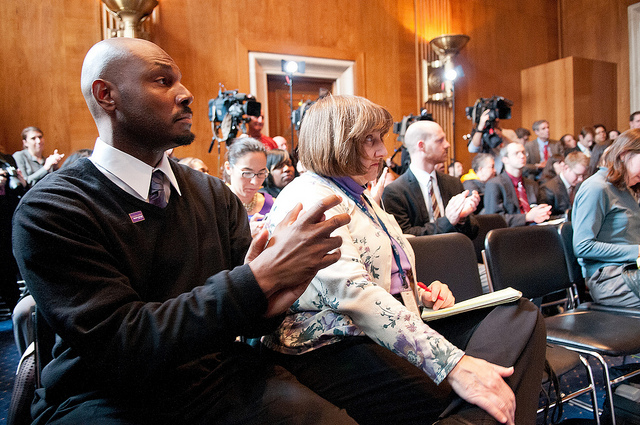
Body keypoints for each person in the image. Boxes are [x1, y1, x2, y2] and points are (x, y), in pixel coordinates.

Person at [12, 37, 357, 425]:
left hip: (220, 377)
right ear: (106, 95)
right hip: (106, 396)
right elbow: (122, 341)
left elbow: (243, 312)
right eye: (162, 81)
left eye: (180, 80)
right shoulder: (51, 208)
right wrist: (257, 281)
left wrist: (273, 302)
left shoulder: (211, 193)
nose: (186, 93)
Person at [263, 94, 546, 425]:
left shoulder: (357, 193)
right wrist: (451, 364)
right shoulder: (311, 198)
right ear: (335, 142)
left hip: (379, 326)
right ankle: (477, 395)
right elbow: (353, 295)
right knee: (464, 390)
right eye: (370, 140)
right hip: (331, 346)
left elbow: (381, 270)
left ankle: (480, 393)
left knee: (519, 314)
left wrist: (421, 292)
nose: (383, 151)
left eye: (380, 138)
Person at [573, 129, 640, 308]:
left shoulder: (627, 188)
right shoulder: (596, 188)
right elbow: (582, 246)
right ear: (625, 155)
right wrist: (637, 251)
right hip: (609, 278)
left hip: (631, 269)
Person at [382, 120, 480, 238]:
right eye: (440, 140)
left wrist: (461, 218)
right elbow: (405, 237)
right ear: (421, 146)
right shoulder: (394, 192)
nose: (447, 144)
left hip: (455, 253)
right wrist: (448, 221)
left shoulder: (453, 183)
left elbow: (473, 233)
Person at [484, 142, 552, 227]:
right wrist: (527, 217)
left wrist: (543, 211)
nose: (522, 156)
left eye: (523, 152)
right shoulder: (494, 185)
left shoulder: (532, 184)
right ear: (505, 159)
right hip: (511, 234)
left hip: (536, 229)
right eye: (516, 153)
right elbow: (494, 220)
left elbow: (538, 207)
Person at [224, 138, 274, 236]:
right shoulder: (217, 205)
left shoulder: (272, 204)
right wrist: (245, 236)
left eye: (261, 173)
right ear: (229, 168)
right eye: (247, 173)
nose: (255, 182)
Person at [1, 147, 27, 312]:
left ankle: (14, 311)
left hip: (6, 222)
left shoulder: (7, 159)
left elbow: (17, 192)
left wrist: (22, 183)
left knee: (9, 272)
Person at [539, 151, 588, 216]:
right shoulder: (549, 189)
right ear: (566, 168)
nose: (581, 179)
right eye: (577, 175)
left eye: (583, 175)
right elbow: (546, 217)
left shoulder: (580, 186)